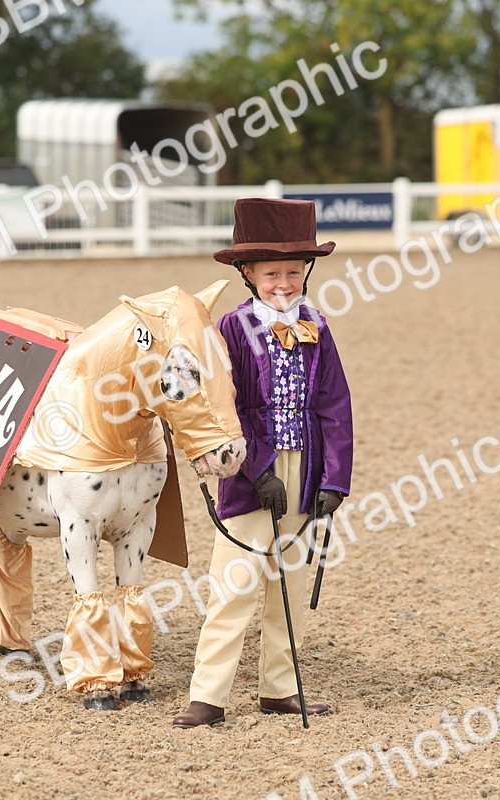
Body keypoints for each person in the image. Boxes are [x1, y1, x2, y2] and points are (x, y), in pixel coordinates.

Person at [172, 198, 353, 728]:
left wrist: (335, 479)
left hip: (307, 469)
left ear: (306, 273)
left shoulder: (317, 325)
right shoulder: (231, 328)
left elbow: (333, 405)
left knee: (289, 584)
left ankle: (281, 687)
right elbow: (231, 407)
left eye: (293, 272)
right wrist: (260, 469)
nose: (284, 282)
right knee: (235, 583)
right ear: (248, 275)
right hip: (254, 473)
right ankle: (208, 694)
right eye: (272, 273)